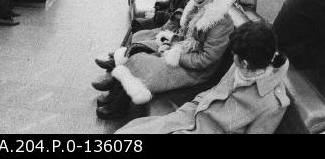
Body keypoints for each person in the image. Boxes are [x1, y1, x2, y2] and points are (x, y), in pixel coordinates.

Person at [94, 0, 236, 119]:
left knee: (146, 66)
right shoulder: (199, 8)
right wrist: (171, 43)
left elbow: (207, 59)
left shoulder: (220, 21)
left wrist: (175, 55)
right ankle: (116, 98)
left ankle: (117, 105)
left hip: (197, 72)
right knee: (138, 58)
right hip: (184, 56)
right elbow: (186, 38)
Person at [116, 21, 290, 134]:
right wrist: (192, 106)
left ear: (244, 62)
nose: (232, 56)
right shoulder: (244, 66)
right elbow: (216, 91)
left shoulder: (273, 105)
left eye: (234, 54)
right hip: (190, 115)